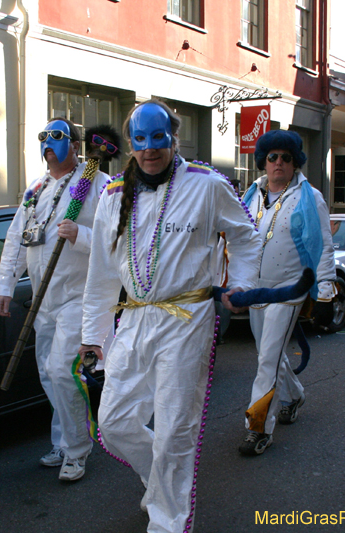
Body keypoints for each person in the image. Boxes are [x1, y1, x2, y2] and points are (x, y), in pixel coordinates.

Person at [78, 100, 262, 533]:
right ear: (130, 145)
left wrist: (242, 283)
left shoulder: (207, 185)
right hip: (135, 318)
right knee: (113, 422)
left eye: (157, 138)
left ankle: (168, 522)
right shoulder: (112, 196)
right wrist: (93, 336)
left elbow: (246, 237)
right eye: (139, 141)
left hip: (187, 318)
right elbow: (102, 274)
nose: (149, 150)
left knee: (177, 425)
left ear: (172, 137)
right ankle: (159, 478)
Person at [0, 118, 111, 482]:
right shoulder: (37, 188)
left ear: (75, 145)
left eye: (57, 137)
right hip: (42, 298)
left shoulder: (99, 184)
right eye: (44, 137)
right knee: (48, 372)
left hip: (79, 297)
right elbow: (16, 237)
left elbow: (117, 240)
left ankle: (78, 451)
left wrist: (82, 234)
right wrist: (5, 284)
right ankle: (63, 440)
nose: (48, 144)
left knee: (63, 370)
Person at [238, 129, 336, 456]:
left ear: (295, 163)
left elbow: (323, 248)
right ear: (263, 162)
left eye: (286, 157)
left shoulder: (310, 198)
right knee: (270, 354)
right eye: (273, 157)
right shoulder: (250, 196)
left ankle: (258, 428)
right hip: (256, 291)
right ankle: (293, 395)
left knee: (267, 358)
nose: (279, 162)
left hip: (290, 290)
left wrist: (325, 292)